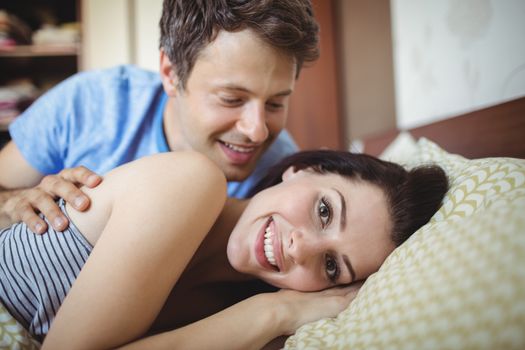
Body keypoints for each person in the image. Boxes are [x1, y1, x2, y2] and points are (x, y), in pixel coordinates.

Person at [0, 150, 449, 349]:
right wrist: (268, 313)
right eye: (325, 212)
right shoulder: (192, 181)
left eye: (332, 266)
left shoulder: (232, 315)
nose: (301, 247)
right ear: (302, 169)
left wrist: (270, 318)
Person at [0, 0, 320, 234]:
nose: (257, 131)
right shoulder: (89, 103)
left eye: (276, 104)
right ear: (171, 73)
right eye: (232, 99)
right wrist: (14, 202)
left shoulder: (282, 174)